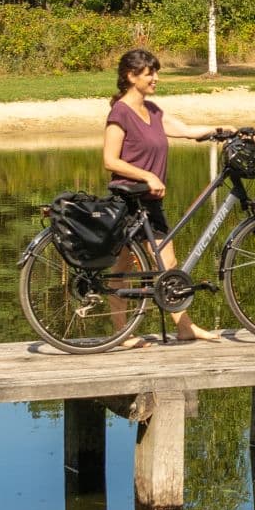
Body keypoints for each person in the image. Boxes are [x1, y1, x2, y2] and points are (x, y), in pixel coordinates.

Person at [104, 48, 213, 341]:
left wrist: (222, 130)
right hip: (128, 201)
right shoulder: (120, 113)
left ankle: (184, 327)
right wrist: (147, 175)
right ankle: (122, 333)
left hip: (150, 203)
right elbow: (110, 160)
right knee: (121, 270)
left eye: (155, 71)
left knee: (168, 264)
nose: (156, 77)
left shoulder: (152, 111)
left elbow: (187, 131)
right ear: (131, 76)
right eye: (150, 72)